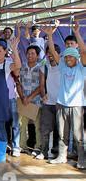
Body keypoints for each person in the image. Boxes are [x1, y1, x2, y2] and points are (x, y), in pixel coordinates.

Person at [48, 21, 85, 169]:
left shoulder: (82, 68)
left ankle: (82, 159)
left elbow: (83, 52)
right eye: (67, 57)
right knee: (62, 133)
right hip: (62, 103)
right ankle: (62, 156)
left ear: (76, 58)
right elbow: (53, 52)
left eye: (71, 57)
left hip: (76, 105)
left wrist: (77, 33)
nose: (68, 59)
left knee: (78, 135)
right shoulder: (62, 66)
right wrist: (50, 35)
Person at [39, 23, 61, 160]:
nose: (50, 56)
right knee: (45, 128)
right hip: (48, 102)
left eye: (53, 54)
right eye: (49, 54)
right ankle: (44, 151)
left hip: (61, 102)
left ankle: (58, 151)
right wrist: (43, 95)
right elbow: (41, 84)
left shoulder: (63, 65)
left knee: (60, 130)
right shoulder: (44, 66)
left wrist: (50, 35)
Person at [16, 45, 43, 155]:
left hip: (36, 102)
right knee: (21, 125)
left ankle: (38, 147)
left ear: (37, 56)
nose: (30, 55)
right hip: (23, 102)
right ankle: (22, 146)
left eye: (33, 53)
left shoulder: (41, 68)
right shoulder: (22, 67)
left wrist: (29, 98)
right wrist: (23, 97)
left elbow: (41, 86)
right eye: (28, 53)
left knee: (38, 126)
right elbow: (18, 83)